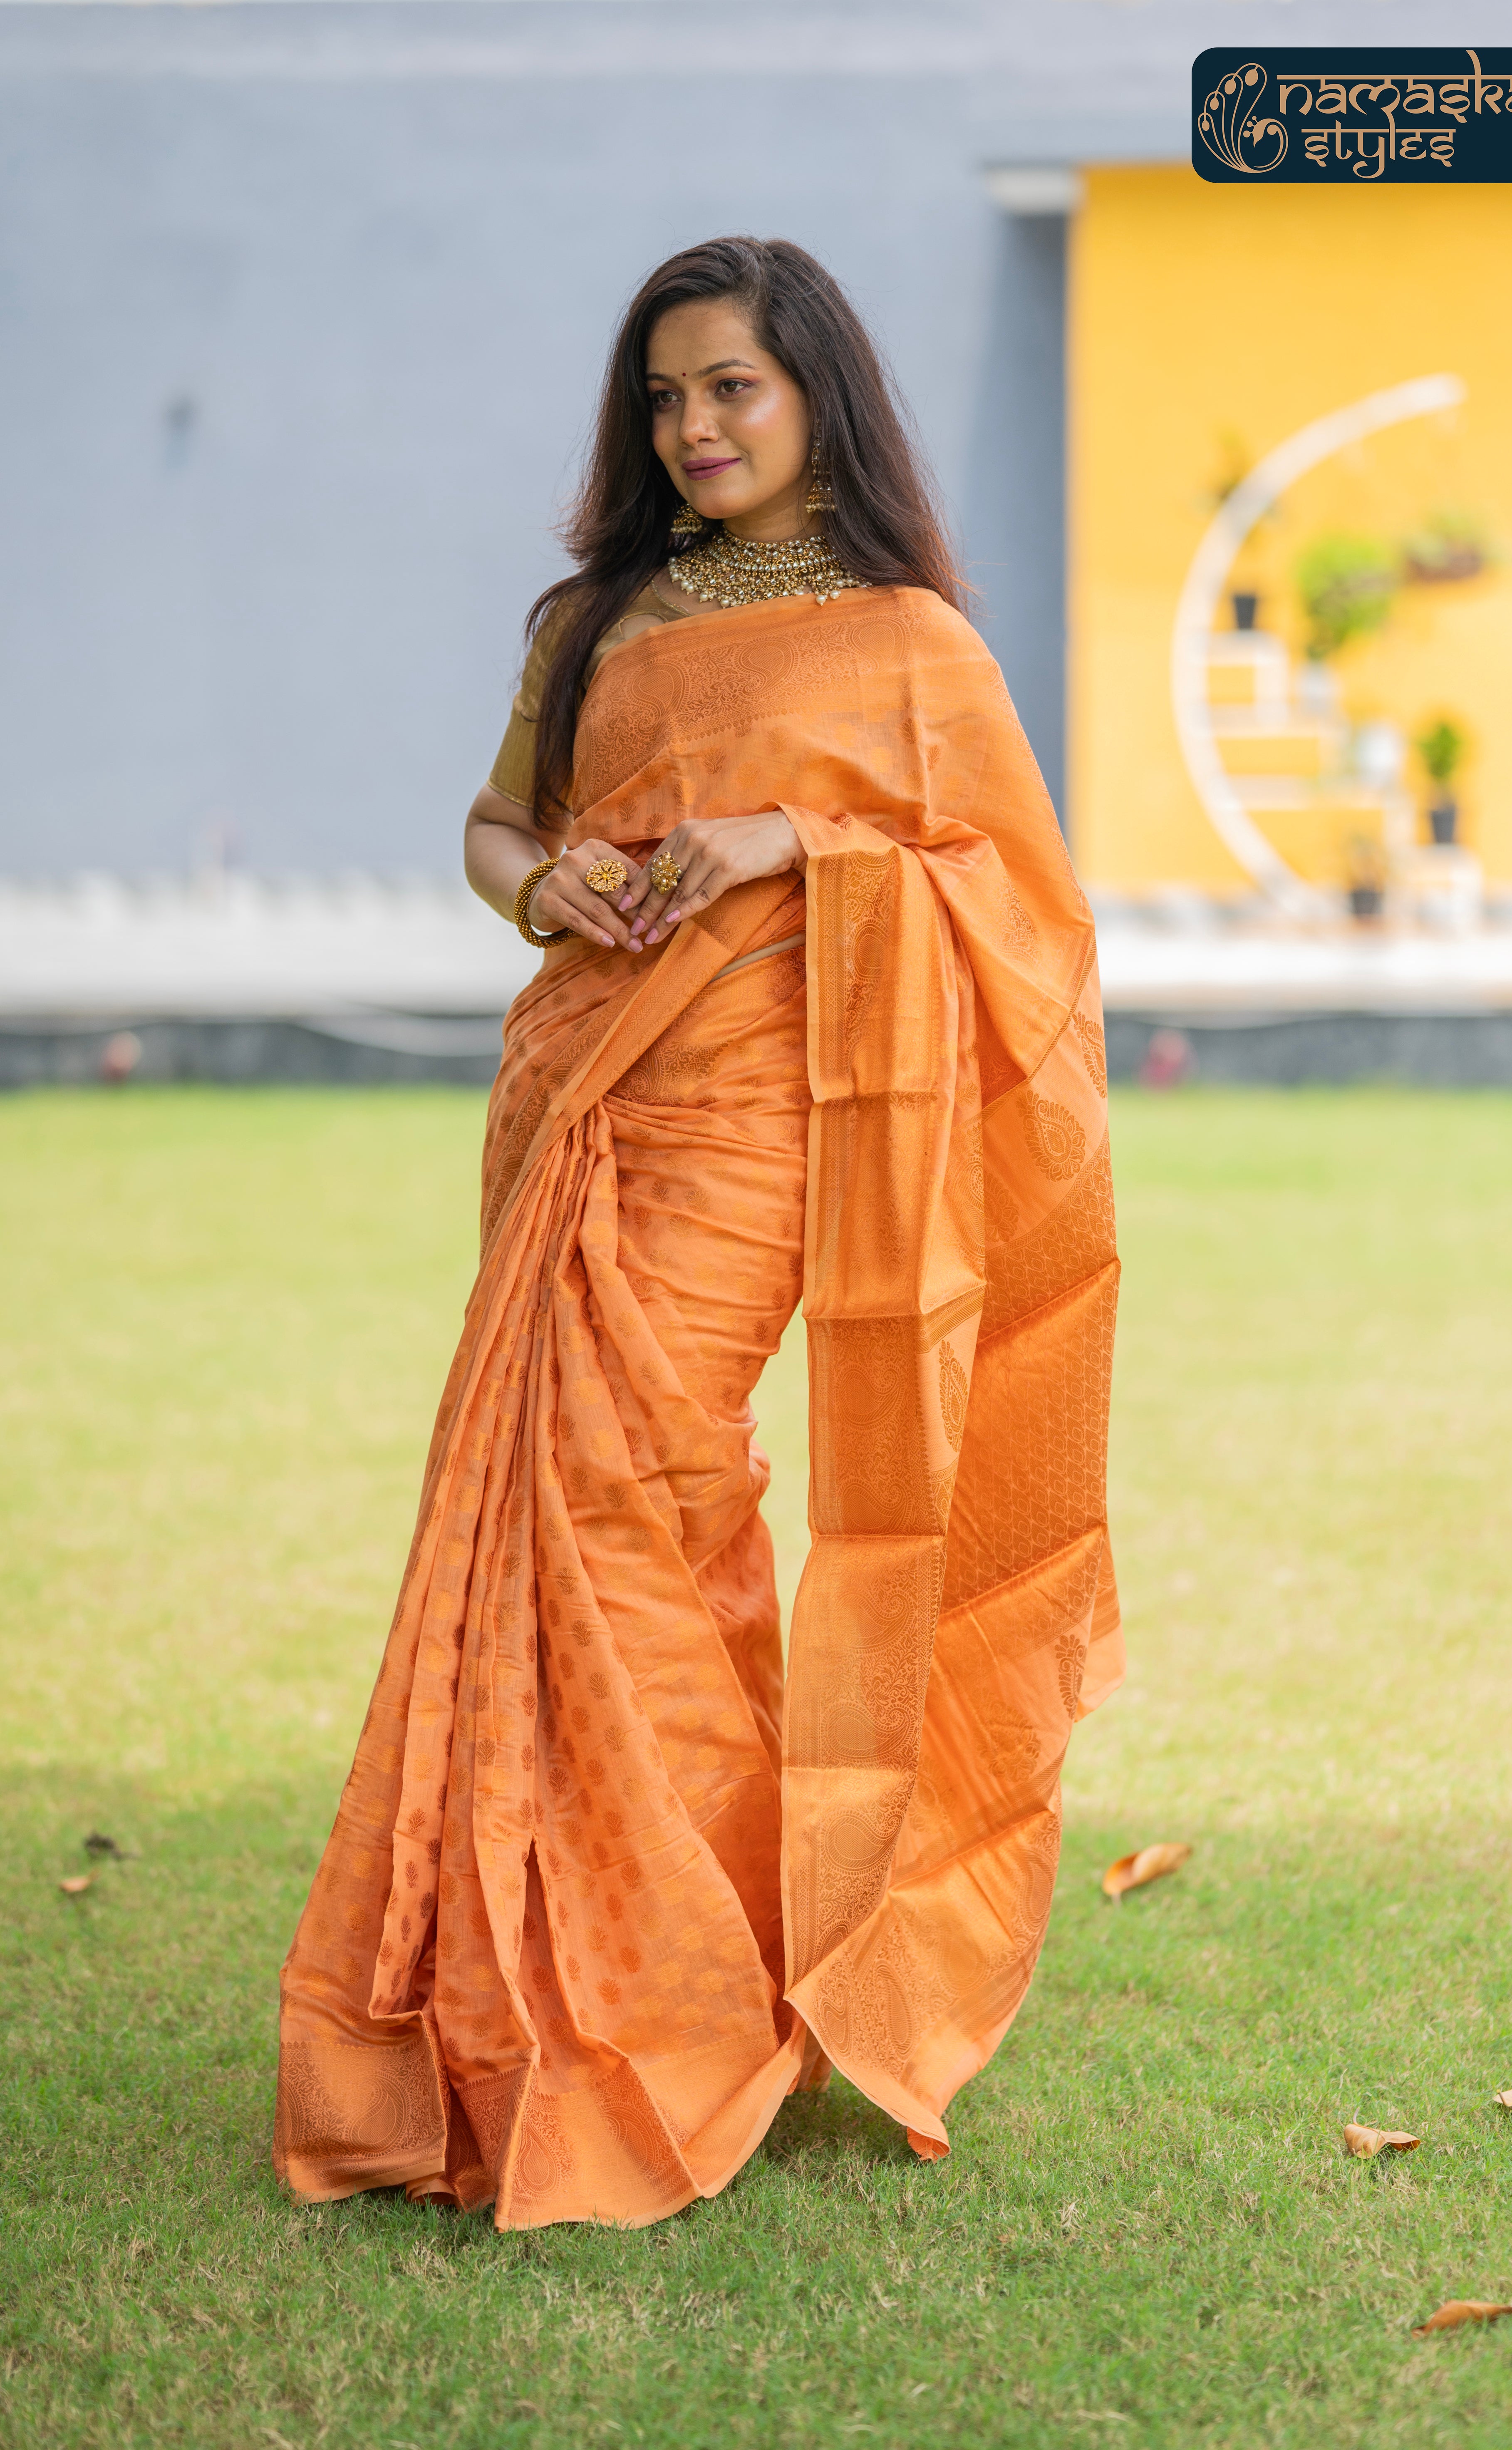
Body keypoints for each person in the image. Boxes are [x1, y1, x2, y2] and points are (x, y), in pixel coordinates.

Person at [274, 236, 1120, 2230]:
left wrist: (799, 840)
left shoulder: (906, 640)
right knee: (565, 1518)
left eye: (731, 386)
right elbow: (493, 825)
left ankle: (676, 1988)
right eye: (663, 396)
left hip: (761, 1123)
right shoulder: (597, 616)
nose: (693, 427)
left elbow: (1018, 911)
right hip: (581, 1101)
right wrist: (538, 883)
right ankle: (567, 1986)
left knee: (627, 1490)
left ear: (816, 392)